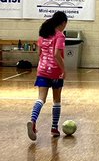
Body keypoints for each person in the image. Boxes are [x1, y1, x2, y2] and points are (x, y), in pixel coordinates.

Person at [27, 11, 68, 141]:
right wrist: (63, 70)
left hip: (42, 70)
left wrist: (43, 64)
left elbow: (39, 53)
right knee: (56, 100)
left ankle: (33, 121)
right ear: (63, 23)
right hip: (55, 71)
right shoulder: (60, 35)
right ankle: (54, 128)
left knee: (41, 99)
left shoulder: (43, 34)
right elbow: (57, 54)